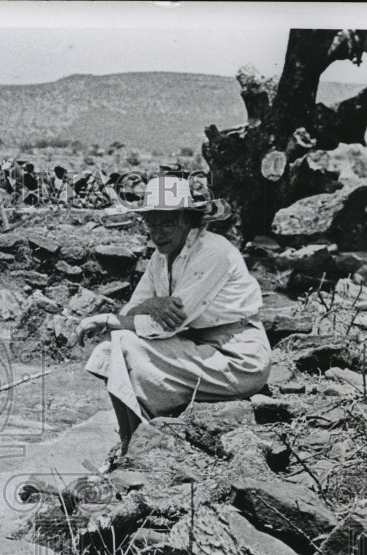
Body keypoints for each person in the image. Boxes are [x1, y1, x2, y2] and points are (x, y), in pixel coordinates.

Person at [77, 175, 271, 467]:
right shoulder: (160, 258)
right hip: (200, 349)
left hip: (237, 358)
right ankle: (129, 442)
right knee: (110, 348)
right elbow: (134, 310)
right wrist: (151, 304)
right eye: (152, 224)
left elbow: (163, 326)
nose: (158, 233)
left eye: (166, 223)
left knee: (125, 342)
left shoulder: (211, 252)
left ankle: (135, 448)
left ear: (186, 220)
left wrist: (107, 319)